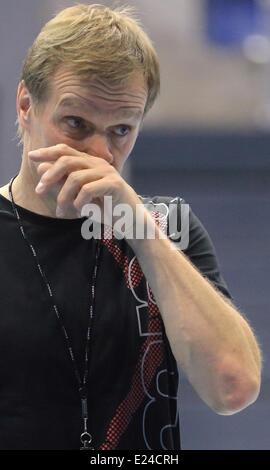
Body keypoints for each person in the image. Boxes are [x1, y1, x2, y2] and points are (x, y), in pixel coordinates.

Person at [0, 3, 261, 451]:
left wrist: (141, 230)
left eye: (120, 130)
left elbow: (232, 387)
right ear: (26, 104)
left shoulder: (169, 227)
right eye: (76, 124)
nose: (100, 154)